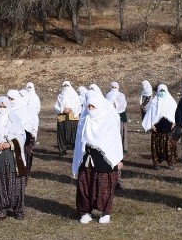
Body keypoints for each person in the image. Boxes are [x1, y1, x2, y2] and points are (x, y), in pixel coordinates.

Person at [73, 90, 123, 224]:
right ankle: (85, 211)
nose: (90, 109)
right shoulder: (84, 120)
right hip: (86, 159)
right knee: (84, 185)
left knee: (103, 186)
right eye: (88, 107)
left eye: (93, 107)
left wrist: (118, 159)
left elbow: (115, 141)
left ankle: (105, 212)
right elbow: (79, 142)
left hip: (104, 160)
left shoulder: (108, 121)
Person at [142, 83, 178, 168]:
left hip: (169, 129)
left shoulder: (171, 102)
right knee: (156, 147)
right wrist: (150, 125)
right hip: (157, 129)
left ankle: (170, 163)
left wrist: (175, 122)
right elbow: (149, 115)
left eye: (163, 91)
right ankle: (156, 163)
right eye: (160, 91)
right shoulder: (154, 102)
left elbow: (176, 114)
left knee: (169, 146)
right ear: (158, 91)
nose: (162, 92)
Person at [9, 89, 38, 173]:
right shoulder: (6, 110)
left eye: (12, 99)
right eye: (9, 99)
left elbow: (30, 123)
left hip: (22, 138)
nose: (10, 101)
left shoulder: (24, 110)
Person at [54, 81, 82, 157]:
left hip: (72, 117)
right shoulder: (60, 96)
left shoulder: (74, 95)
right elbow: (56, 106)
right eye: (64, 85)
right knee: (62, 134)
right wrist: (62, 110)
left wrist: (71, 109)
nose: (66, 87)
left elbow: (77, 105)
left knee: (74, 133)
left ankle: (75, 149)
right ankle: (62, 150)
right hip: (62, 117)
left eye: (67, 85)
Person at [106, 82, 128, 154]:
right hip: (112, 117)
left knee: (122, 132)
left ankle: (123, 148)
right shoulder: (108, 95)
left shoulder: (121, 95)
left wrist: (116, 105)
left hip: (121, 116)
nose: (114, 89)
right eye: (112, 87)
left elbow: (123, 105)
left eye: (115, 87)